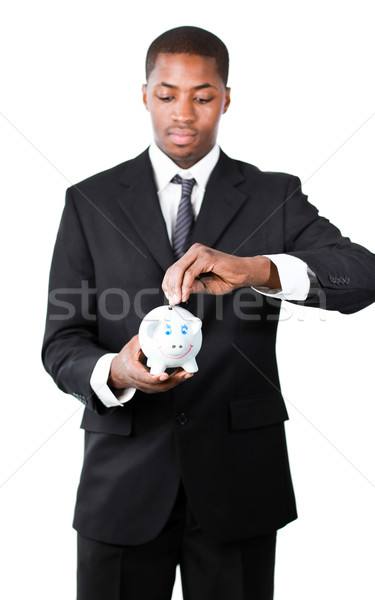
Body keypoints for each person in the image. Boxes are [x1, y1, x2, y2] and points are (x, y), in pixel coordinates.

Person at [42, 25, 375, 600]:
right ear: (144, 95)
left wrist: (259, 270)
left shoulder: (274, 195)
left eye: (202, 95)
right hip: (122, 480)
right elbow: (62, 339)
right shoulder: (90, 200)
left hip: (240, 481)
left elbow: (362, 274)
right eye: (167, 94)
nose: (184, 113)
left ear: (226, 98)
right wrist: (117, 372)